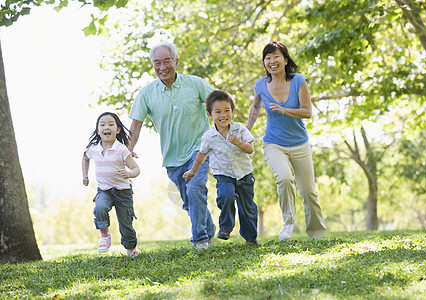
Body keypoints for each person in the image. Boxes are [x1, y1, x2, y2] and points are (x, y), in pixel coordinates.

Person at [128, 41, 215, 249]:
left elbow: (220, 102)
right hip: (172, 157)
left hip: (199, 148)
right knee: (189, 200)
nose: (162, 67)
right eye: (157, 63)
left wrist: (224, 132)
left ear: (176, 61)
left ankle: (200, 240)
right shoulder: (146, 93)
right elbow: (135, 125)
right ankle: (209, 230)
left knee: (195, 188)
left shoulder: (195, 84)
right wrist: (127, 151)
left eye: (166, 61)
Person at [246, 41, 326, 241]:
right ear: (264, 62)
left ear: (285, 59)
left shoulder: (298, 80)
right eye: (267, 58)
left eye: (276, 56)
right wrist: (247, 129)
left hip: (300, 143)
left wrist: (285, 110)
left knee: (308, 191)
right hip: (274, 143)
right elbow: (256, 107)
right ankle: (288, 224)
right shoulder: (260, 85)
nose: (272, 61)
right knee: (283, 178)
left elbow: (307, 112)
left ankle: (316, 233)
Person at [183, 90, 258, 244]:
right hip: (224, 175)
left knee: (247, 208)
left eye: (227, 111)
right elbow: (201, 156)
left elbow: (250, 149)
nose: (223, 115)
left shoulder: (240, 129)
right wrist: (192, 172)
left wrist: (238, 142)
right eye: (218, 112)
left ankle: (250, 239)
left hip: (244, 174)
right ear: (210, 115)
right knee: (226, 195)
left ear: (232, 111)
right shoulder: (208, 137)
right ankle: (226, 226)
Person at [82, 112, 140, 257]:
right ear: (97, 130)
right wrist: (85, 174)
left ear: (118, 129)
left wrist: (129, 174)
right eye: (102, 124)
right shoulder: (93, 149)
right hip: (104, 190)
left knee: (126, 225)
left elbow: (136, 169)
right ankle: (105, 236)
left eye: (110, 124)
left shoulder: (121, 149)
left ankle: (130, 248)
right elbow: (84, 158)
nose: (106, 127)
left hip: (123, 192)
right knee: (99, 208)